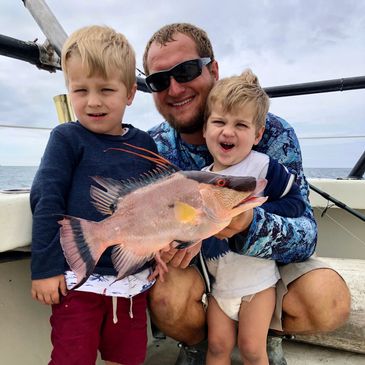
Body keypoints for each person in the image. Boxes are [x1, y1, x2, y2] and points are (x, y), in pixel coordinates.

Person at [143, 23, 351, 364]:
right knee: (166, 296)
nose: (175, 87)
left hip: (262, 273)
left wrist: (248, 223)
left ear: (213, 70)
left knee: (328, 299)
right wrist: (161, 247)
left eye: (186, 70)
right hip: (201, 271)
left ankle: (263, 337)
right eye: (159, 80)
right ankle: (201, 345)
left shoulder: (275, 133)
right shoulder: (154, 146)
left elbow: (306, 234)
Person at [30, 25, 157, 365]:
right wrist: (45, 269)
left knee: (129, 357)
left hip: (132, 285)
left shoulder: (146, 145)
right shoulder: (65, 138)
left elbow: (155, 212)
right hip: (76, 284)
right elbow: (47, 202)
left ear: (130, 93)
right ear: (68, 91)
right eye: (81, 90)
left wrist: (158, 251)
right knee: (73, 357)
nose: (93, 101)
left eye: (106, 89)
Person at [202, 69, 306, 365]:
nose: (227, 131)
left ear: (258, 133)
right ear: (206, 127)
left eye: (241, 124)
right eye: (219, 121)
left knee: (251, 349)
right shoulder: (201, 179)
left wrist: (254, 214)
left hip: (258, 285)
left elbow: (296, 204)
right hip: (219, 286)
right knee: (217, 347)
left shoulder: (263, 167)